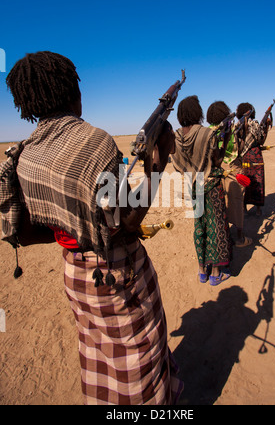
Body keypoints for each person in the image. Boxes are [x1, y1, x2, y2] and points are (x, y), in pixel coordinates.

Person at [3, 51, 183, 405]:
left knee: (98, 355)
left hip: (76, 276)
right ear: (75, 92)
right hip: (118, 272)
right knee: (139, 360)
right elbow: (125, 221)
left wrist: (74, 233)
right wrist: (157, 166)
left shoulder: (25, 155)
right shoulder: (94, 141)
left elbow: (24, 231)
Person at [171, 96, 232, 286]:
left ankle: (201, 271)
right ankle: (215, 272)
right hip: (211, 185)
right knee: (215, 226)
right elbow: (217, 161)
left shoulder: (176, 136)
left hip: (193, 187)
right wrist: (227, 138)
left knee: (199, 226)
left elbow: (177, 163)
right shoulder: (207, 134)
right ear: (197, 113)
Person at [206, 101, 252, 247]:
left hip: (215, 170)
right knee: (236, 201)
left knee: (221, 203)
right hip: (232, 167)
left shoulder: (208, 131)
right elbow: (241, 144)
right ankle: (239, 237)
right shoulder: (231, 127)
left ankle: (223, 235)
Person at [236, 103, 269, 217]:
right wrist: (266, 127)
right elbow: (261, 141)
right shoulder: (254, 125)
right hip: (256, 155)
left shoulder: (238, 125)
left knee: (245, 181)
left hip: (244, 156)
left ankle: (244, 209)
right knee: (258, 182)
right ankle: (258, 209)